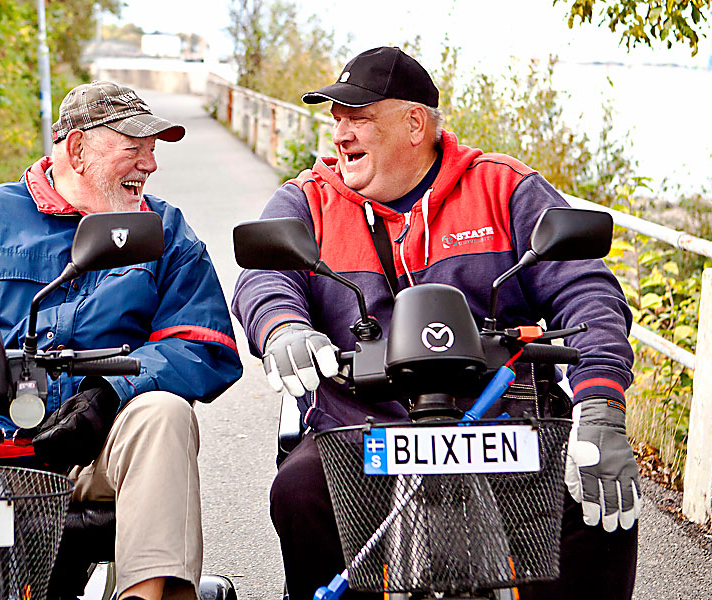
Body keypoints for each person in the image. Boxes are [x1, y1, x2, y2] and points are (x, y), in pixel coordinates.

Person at [231, 47, 638, 600]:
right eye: (337, 119)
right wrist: (283, 328)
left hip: (504, 426)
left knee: (597, 493)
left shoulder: (502, 187)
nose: (341, 134)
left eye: (360, 118)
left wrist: (602, 406)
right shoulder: (310, 199)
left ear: (414, 122)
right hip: (359, 430)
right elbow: (264, 278)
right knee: (299, 491)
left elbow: (587, 291)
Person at [0, 80, 243, 600]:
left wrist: (109, 398)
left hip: (97, 457)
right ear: (78, 150)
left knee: (164, 413)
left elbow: (202, 344)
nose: (150, 165)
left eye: (153, 152)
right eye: (135, 149)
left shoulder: (164, 232)